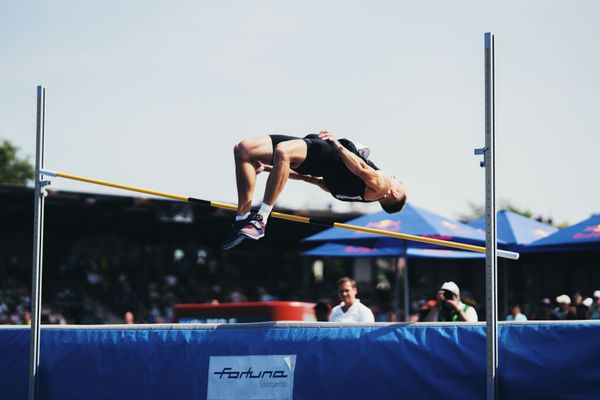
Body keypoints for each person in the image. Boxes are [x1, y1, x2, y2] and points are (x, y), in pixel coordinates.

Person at [222, 131, 408, 249]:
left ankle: (260, 219)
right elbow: (309, 178)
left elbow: (360, 168)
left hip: (323, 151)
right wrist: (269, 168)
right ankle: (242, 218)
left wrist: (337, 145)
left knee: (282, 151)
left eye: (399, 182)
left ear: (395, 193)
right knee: (243, 150)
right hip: (313, 151)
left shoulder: (382, 185)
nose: (396, 179)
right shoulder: (351, 194)